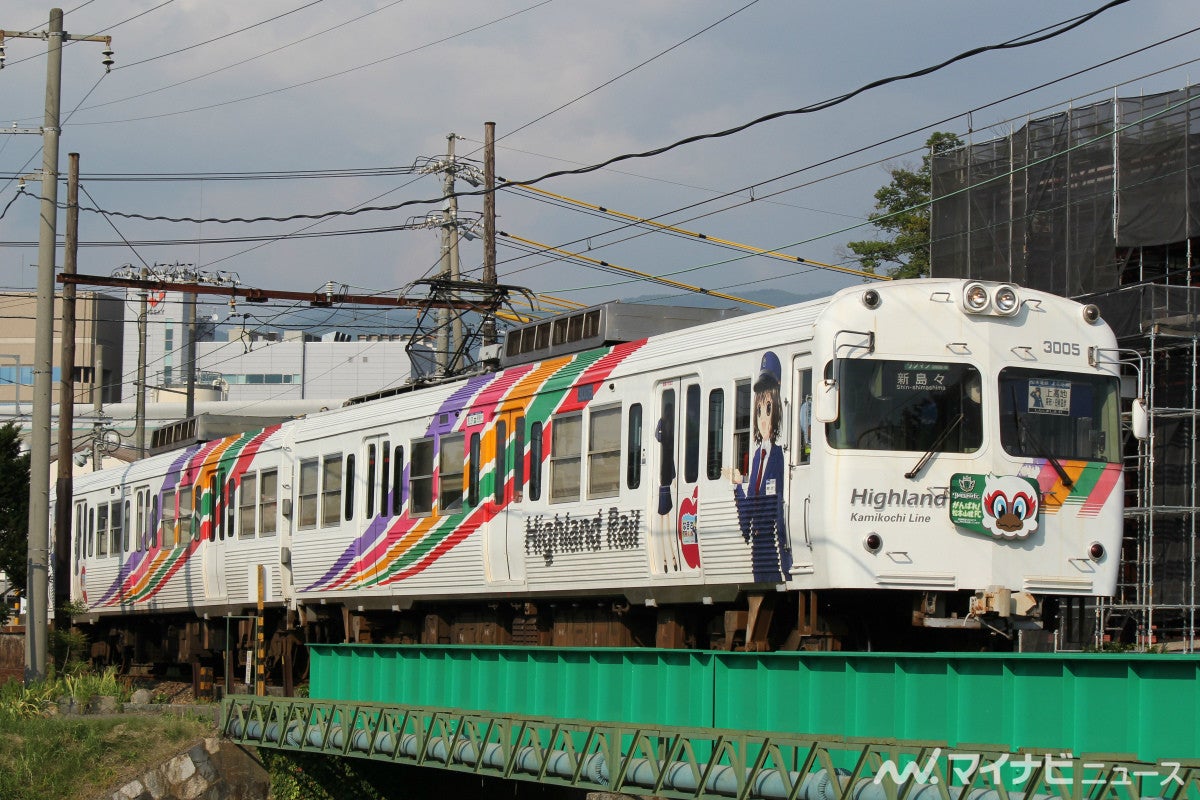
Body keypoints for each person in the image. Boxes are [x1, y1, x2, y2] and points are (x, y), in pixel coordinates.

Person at [728, 351, 792, 583]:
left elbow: (778, 507)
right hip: (758, 553)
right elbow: (749, 518)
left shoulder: (778, 456)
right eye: (758, 410)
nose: (763, 418)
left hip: (773, 551)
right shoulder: (756, 458)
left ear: (777, 408)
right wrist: (738, 487)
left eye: (768, 409)